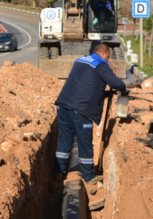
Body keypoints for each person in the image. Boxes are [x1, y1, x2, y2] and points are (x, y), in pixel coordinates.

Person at [54, 44, 127, 184]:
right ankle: (88, 176)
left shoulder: (80, 61)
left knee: (64, 140)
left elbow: (84, 84)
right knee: (84, 142)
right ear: (104, 54)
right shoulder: (100, 64)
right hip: (81, 109)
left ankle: (59, 172)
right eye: (108, 57)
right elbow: (117, 83)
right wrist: (123, 90)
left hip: (63, 105)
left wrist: (105, 93)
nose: (108, 60)